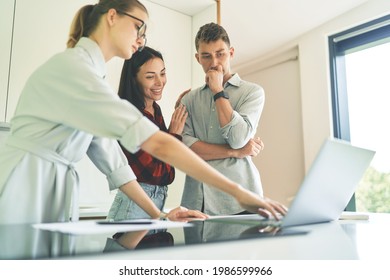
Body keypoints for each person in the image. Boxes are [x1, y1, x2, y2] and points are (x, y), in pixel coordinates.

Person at [0, 0, 286, 225]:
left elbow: (115, 165)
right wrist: (240, 192)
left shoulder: (92, 78)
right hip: (26, 183)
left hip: (51, 190)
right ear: (112, 17)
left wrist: (159, 214)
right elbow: (160, 143)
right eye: (139, 28)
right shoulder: (75, 70)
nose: (141, 38)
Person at [180, 22, 267, 215]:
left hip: (241, 202)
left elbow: (238, 139)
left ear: (231, 53)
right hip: (196, 201)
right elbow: (186, 150)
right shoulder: (189, 100)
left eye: (221, 54)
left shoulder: (252, 93)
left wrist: (218, 91)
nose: (214, 63)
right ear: (198, 58)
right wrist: (235, 153)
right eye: (206, 56)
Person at [107, 46, 189, 220]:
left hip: (155, 202)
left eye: (163, 73)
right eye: (150, 76)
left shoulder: (154, 109)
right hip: (133, 206)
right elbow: (158, 173)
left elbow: (163, 157)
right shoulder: (130, 116)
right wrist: (173, 135)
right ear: (134, 79)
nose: (160, 82)